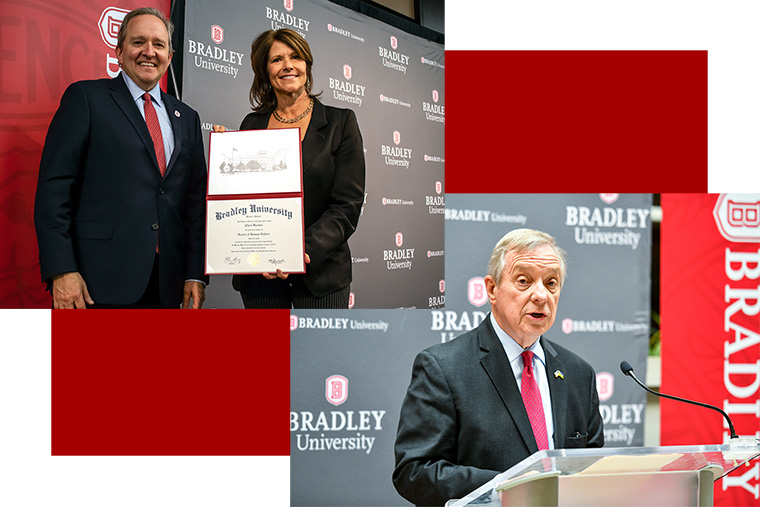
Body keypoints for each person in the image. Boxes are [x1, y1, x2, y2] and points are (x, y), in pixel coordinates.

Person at [393, 229, 604, 506]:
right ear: (492, 289)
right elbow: (414, 471)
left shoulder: (579, 374)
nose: (540, 295)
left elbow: (591, 468)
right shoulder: (443, 368)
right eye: (523, 281)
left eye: (551, 283)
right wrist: (505, 487)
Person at [34, 7, 208, 309]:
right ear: (119, 49)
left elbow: (194, 206)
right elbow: (54, 191)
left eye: (159, 44)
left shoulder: (187, 118)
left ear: (169, 55)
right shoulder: (86, 99)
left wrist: (195, 273)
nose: (149, 52)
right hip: (95, 283)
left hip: (166, 285)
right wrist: (61, 270)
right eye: (138, 42)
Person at [217, 28, 365, 309]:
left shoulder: (341, 123)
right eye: (276, 60)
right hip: (261, 275)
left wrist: (299, 251)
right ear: (264, 70)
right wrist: (225, 163)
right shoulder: (251, 124)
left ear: (306, 64)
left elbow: (347, 205)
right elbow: (243, 201)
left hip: (321, 275)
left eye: (295, 57)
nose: (287, 65)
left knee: (319, 353)